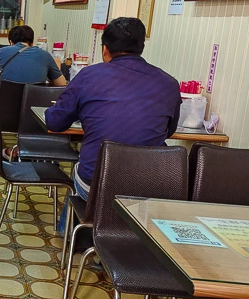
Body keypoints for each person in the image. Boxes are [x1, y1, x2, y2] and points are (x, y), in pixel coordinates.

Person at [46, 17, 181, 235]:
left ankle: (70, 235)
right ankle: (122, 241)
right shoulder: (169, 83)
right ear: (141, 48)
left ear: (105, 49)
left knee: (82, 168)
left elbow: (55, 122)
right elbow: (169, 131)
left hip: (97, 184)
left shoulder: (89, 75)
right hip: (151, 186)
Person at [0, 24, 66, 166]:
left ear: (10, 42)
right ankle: (18, 150)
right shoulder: (45, 55)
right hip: (34, 119)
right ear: (32, 42)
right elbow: (61, 84)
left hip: (2, 116)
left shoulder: (2, 52)